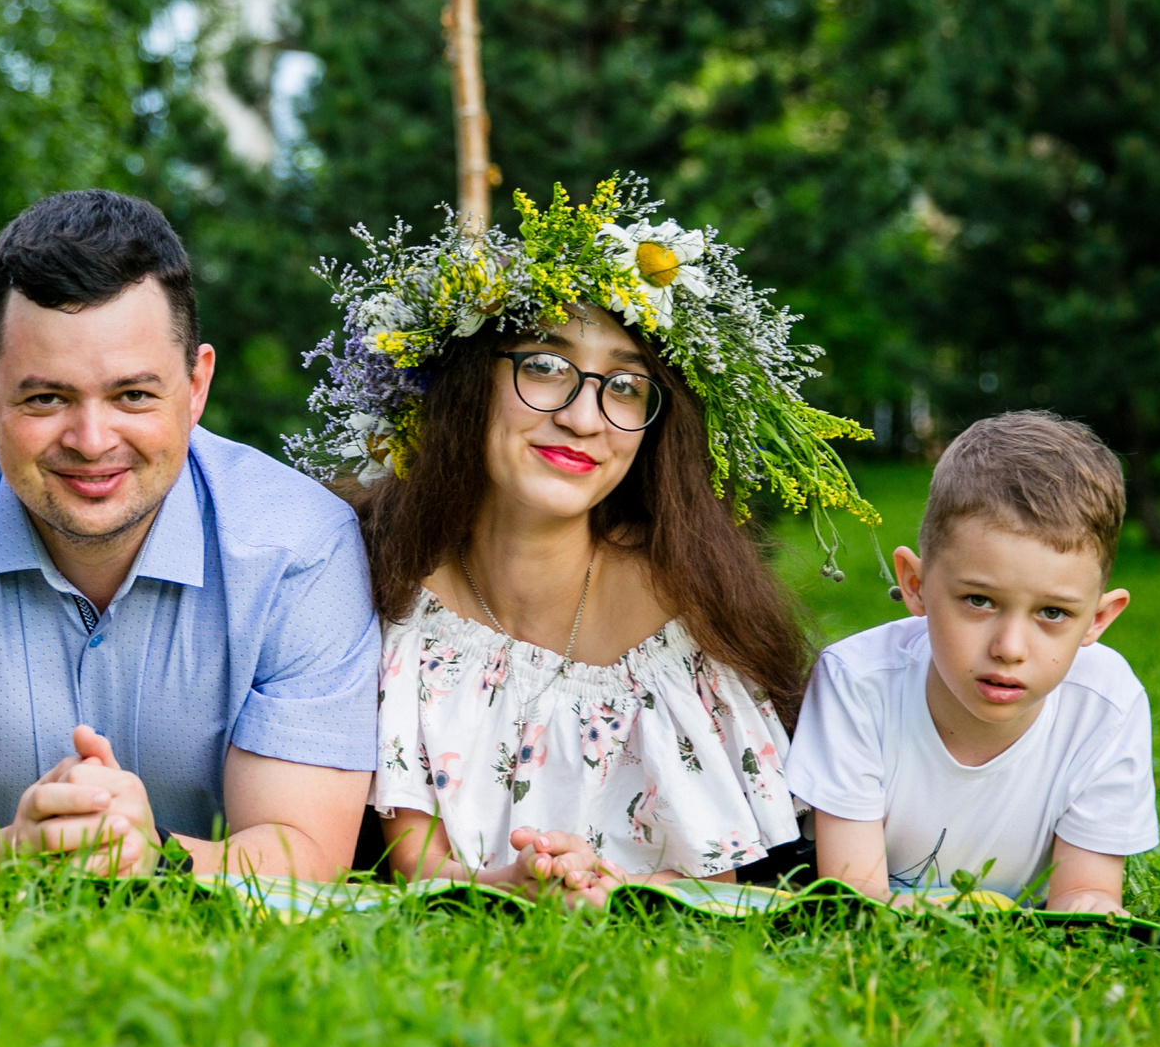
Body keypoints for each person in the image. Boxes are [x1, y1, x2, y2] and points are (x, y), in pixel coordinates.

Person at [292, 177, 878, 905]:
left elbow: (717, 875)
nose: (583, 417)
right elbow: (419, 863)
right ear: (472, 381)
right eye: (544, 366)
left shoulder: (680, 613)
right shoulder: (386, 588)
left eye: (625, 387)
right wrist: (506, 885)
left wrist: (614, 888)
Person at [0, 191, 380, 880]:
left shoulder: (301, 546)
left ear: (197, 384)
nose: (91, 440)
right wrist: (18, 850)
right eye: (46, 398)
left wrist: (155, 854)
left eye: (133, 395)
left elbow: (307, 853)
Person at [786, 412, 1153, 911]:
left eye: (1053, 612)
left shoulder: (1107, 705)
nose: (1010, 647)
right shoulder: (857, 682)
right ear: (916, 585)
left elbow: (1086, 896)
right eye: (979, 601)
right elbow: (855, 897)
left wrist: (1084, 912)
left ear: (1098, 618)